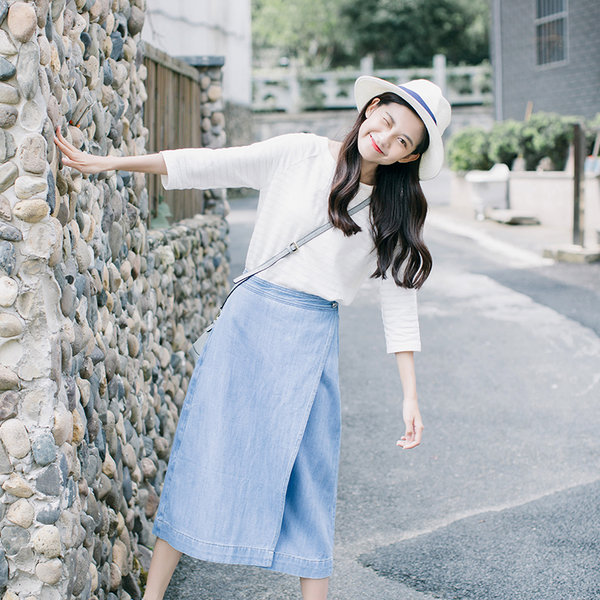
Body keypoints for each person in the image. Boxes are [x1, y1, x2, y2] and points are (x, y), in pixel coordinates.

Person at [54, 76, 451, 600]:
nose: (385, 138)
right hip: (248, 324)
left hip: (311, 338)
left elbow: (400, 303)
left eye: (403, 141)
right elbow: (211, 163)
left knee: (310, 474)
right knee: (204, 451)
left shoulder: (391, 211)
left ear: (409, 157)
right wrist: (109, 163)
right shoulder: (299, 153)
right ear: (373, 106)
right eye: (387, 120)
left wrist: (410, 394)